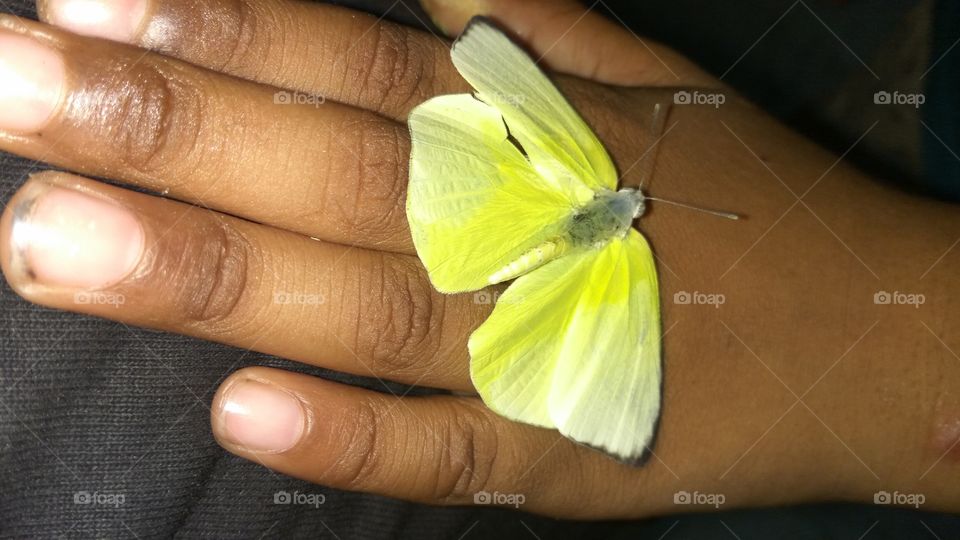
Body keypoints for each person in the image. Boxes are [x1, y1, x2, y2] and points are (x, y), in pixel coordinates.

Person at [0, 0, 957, 526]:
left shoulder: (598, 177)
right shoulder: (625, 247)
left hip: (520, 194)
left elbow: (497, 67)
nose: (635, 205)